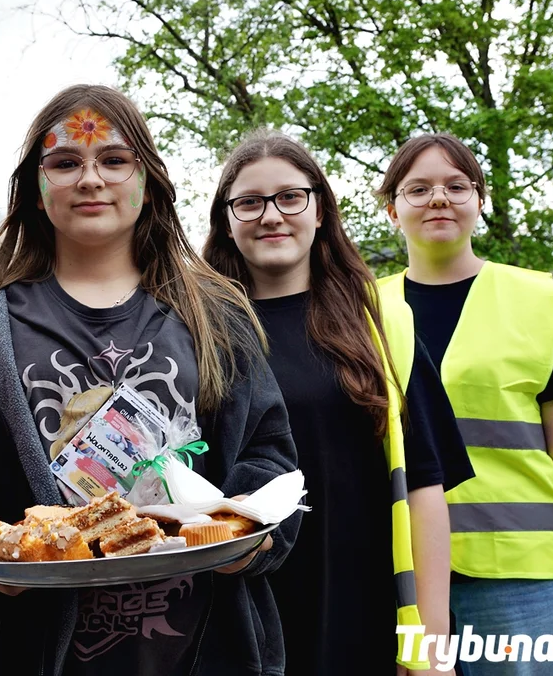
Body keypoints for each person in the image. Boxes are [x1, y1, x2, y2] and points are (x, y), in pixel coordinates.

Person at [0, 85, 302, 676]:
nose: (91, 179)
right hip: (31, 647)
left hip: (206, 646)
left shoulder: (217, 316)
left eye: (114, 160)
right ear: (34, 187)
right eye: (65, 162)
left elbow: (268, 452)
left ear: (147, 181)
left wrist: (249, 536)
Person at [202, 129, 473, 674]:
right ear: (227, 221)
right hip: (234, 614)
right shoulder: (196, 334)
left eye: (290, 197)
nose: (271, 215)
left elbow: (424, 486)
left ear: (320, 210)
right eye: (249, 202)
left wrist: (430, 639)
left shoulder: (379, 324)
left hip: (360, 609)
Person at [376, 133, 553, 675]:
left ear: (480, 201)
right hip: (399, 574)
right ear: (392, 208)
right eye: (417, 188)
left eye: (456, 185)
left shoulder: (535, 298)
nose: (439, 198)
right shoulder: (362, 308)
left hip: (523, 580)